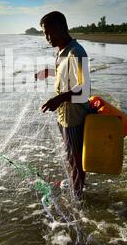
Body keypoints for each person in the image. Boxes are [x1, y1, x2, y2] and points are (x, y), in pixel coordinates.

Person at [35, 11, 91, 200]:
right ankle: (76, 185)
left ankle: (78, 199)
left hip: (74, 116)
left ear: (63, 29)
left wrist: (59, 99)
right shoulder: (61, 52)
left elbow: (84, 88)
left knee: (76, 159)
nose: (48, 38)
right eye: (45, 34)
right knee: (70, 155)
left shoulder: (77, 52)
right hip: (63, 115)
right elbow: (65, 72)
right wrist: (49, 72)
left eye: (51, 33)